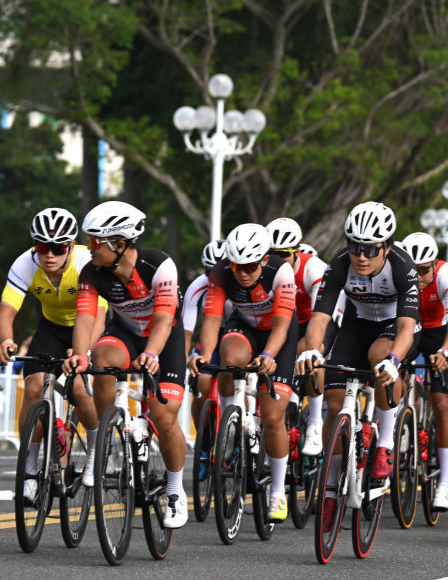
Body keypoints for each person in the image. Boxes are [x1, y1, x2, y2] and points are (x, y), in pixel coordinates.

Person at [63, 201, 189, 529]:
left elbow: (163, 319)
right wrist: (78, 355)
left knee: (163, 416)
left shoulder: (159, 266)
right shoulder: (92, 272)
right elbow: (86, 317)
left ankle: (175, 490)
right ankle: (108, 435)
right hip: (125, 332)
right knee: (102, 360)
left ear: (119, 245)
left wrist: (153, 354)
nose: (87, 248)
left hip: (165, 337)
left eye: (93, 242)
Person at [295, 201, 419, 529]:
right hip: (355, 327)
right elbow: (319, 319)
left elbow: (408, 327)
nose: (361, 256)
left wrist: (394, 360)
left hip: (395, 328)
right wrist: (310, 350)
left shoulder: (403, 266)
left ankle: (386, 445)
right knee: (334, 405)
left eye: (370, 249)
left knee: (380, 358)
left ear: (387, 247)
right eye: (354, 247)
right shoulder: (338, 266)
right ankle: (331, 488)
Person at [0, 207, 105, 502]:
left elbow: (100, 314)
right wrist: (5, 341)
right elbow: (6, 310)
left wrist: (85, 350)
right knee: (32, 386)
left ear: (70, 247)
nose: (49, 254)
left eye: (57, 248)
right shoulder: (25, 264)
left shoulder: (86, 262)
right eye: (43, 247)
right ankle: (29, 472)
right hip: (52, 328)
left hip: (89, 323)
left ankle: (95, 452)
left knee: (78, 387)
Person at [191, 223, 298, 523]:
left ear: (264, 260)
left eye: (250, 266)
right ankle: (229, 426)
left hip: (279, 335)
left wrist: (268, 356)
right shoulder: (220, 274)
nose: (243, 273)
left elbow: (281, 326)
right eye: (237, 266)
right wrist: (202, 353)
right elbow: (211, 322)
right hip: (245, 326)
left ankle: (278, 491)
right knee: (228, 357)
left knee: (273, 416)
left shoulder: (281, 273)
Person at [401, 231, 448, 510]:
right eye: (413, 271)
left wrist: (445, 353)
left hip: (439, 333)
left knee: (441, 404)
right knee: (392, 377)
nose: (418, 277)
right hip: (411, 329)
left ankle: (444, 483)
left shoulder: (447, 276)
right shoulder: (401, 274)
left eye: (424, 271)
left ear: (434, 264)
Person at [266, 217, 329, 457]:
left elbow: (319, 319)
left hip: (314, 321)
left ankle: (314, 423)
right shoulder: (264, 269)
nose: (276, 261)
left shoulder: (314, 269)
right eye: (271, 254)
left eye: (283, 255)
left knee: (311, 355)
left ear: (297, 251)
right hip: (283, 323)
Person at [182, 239, 229, 426]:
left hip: (239, 336)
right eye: (211, 271)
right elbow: (186, 332)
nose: (216, 276)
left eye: (221, 271)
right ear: (204, 271)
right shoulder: (197, 288)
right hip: (212, 338)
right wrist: (184, 358)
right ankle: (204, 441)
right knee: (201, 383)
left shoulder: (241, 283)